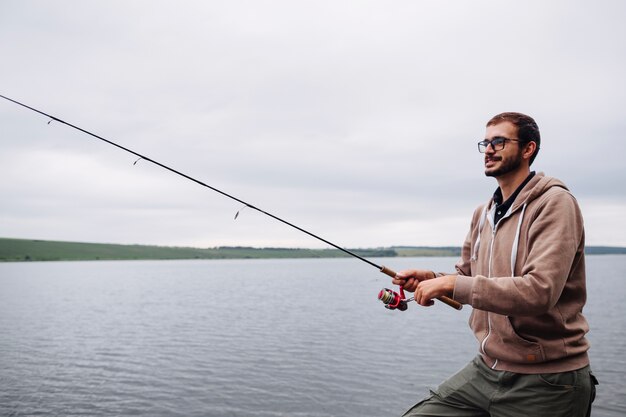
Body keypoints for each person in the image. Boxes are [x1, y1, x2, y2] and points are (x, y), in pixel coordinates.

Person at [393, 112, 597, 417]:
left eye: (499, 142)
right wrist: (433, 279)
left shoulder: (555, 203)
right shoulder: (484, 212)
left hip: (547, 381)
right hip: (487, 369)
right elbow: (467, 276)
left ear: (528, 149)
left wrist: (451, 284)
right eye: (486, 143)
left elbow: (540, 292)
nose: (488, 149)